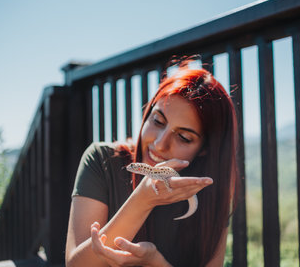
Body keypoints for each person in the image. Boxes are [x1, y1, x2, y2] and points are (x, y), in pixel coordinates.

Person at [65, 59, 238, 267]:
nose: (159, 144)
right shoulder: (102, 160)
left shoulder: (211, 189)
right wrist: (143, 200)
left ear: (205, 150)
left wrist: (156, 263)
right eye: (158, 121)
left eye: (183, 137)